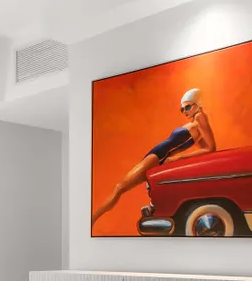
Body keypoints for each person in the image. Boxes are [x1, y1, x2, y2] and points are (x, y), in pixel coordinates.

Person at [92, 88, 217, 226]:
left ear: (198, 104)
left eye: (187, 107)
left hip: (158, 156)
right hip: (156, 155)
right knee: (124, 188)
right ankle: (151, 207)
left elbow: (210, 148)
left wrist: (178, 159)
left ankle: (93, 218)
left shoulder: (199, 118)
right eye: (182, 109)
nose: (184, 111)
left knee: (119, 188)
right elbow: (203, 147)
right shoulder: (196, 124)